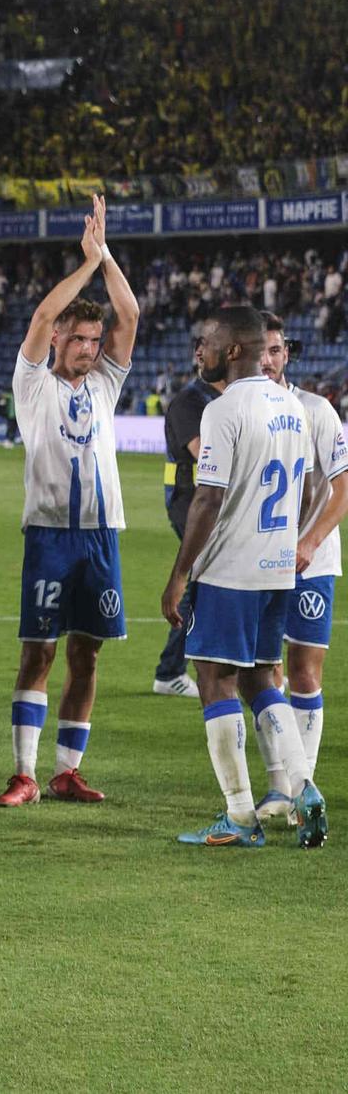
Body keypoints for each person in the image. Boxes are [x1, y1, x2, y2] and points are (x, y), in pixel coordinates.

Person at [160, 305, 326, 848]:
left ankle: (240, 816)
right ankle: (304, 786)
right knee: (262, 677)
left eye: (207, 341)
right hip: (277, 569)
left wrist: (179, 574)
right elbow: (306, 492)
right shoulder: (291, 405)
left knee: (214, 678)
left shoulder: (225, 409)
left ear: (233, 349)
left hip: (229, 569)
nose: (200, 351)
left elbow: (207, 498)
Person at [0, 197, 139, 807]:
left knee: (87, 653)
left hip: (101, 533)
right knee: (40, 650)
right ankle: (24, 774)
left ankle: (65, 771)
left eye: (93, 339)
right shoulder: (33, 383)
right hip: (51, 534)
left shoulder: (105, 382)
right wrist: (83, 265)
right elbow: (44, 311)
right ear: (58, 339)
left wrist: (105, 257)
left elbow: (129, 313)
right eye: (78, 338)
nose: (89, 347)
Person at [260, 313, 348, 791]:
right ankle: (280, 783)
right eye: (261, 352)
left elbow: (343, 489)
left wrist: (308, 543)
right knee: (262, 672)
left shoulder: (317, 410)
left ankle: (302, 788)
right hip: (258, 562)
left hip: (312, 561)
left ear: (287, 353)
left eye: (276, 350)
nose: (269, 360)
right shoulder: (242, 410)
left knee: (304, 670)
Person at [155, 333, 222, 698]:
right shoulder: (190, 402)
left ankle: (174, 668)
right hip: (190, 505)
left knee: (205, 584)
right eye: (197, 344)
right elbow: (207, 455)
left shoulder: (221, 398)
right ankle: (170, 670)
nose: (200, 350)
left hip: (211, 505)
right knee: (200, 584)